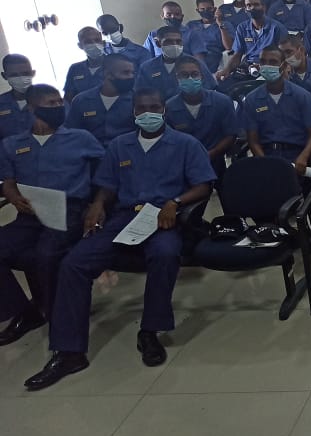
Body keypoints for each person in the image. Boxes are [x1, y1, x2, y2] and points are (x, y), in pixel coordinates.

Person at [23, 88, 215, 391]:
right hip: (123, 217)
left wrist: (175, 202)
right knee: (74, 263)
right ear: (134, 112)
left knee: (165, 254)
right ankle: (70, 352)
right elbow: (107, 185)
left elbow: (203, 185)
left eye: (154, 106)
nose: (148, 112)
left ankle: (150, 331)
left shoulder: (185, 144)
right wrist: (98, 204)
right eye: (142, 108)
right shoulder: (119, 146)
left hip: (164, 217)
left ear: (163, 109)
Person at [0, 85, 104, 345]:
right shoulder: (13, 144)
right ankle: (26, 312)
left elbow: (106, 174)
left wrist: (98, 204)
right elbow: (8, 181)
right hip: (30, 212)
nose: (59, 107)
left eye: (60, 102)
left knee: (45, 254)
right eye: (51, 103)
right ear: (33, 108)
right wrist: (13, 196)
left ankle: (59, 315)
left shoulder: (80, 138)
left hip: (69, 209)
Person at [238, 48, 311, 174]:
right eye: (263, 62)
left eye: (273, 62)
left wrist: (303, 157)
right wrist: (265, 162)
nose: (267, 66)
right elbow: (253, 140)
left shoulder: (302, 96)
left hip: (296, 156)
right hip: (266, 155)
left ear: (284, 65)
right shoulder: (252, 99)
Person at [164, 57, 238, 180]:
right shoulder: (169, 107)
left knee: (227, 193)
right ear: (176, 78)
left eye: (194, 74)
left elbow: (231, 134)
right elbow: (169, 141)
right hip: (183, 163)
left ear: (202, 77)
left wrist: (210, 154)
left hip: (216, 159)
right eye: (184, 75)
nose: (190, 79)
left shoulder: (222, 101)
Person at [66, 54, 138, 146]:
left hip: (125, 154)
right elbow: (72, 133)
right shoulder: (81, 101)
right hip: (90, 155)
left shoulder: (137, 100)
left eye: (133, 73)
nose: (131, 77)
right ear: (108, 74)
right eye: (126, 73)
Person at [214, 0, 288, 83]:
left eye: (256, 5)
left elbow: (284, 56)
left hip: (270, 66)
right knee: (226, 85)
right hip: (248, 66)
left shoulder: (277, 28)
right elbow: (237, 54)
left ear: (264, 7)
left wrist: (263, 66)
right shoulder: (242, 27)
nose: (252, 8)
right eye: (249, 5)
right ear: (245, 9)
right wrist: (226, 70)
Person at [134, 27, 217, 101]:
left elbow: (210, 88)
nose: (174, 45)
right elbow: (140, 94)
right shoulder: (147, 68)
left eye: (178, 41)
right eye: (168, 42)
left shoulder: (195, 64)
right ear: (158, 43)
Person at [63, 28, 109, 102]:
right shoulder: (75, 69)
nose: (94, 44)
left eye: (97, 40)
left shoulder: (117, 66)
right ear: (80, 45)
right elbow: (68, 98)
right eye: (88, 42)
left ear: (103, 43)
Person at [0, 54, 35, 139]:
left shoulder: (50, 100)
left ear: (33, 73)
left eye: (25, 73)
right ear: (4, 76)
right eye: (14, 75)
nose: (21, 78)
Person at [188, 0, 227, 72]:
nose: (206, 11)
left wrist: (220, 24)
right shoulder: (191, 25)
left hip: (213, 59)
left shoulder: (223, 24)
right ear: (197, 10)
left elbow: (229, 47)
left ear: (215, 9)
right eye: (202, 9)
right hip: (193, 59)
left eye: (209, 9)